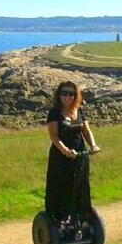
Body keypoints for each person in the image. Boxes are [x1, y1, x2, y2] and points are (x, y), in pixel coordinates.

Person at [45, 81, 100, 221]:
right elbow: (54, 136)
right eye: (64, 93)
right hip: (61, 157)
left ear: (76, 96)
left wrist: (93, 145)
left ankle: (81, 216)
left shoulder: (79, 110)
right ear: (59, 95)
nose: (68, 97)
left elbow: (86, 131)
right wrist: (65, 150)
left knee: (81, 185)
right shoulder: (54, 113)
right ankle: (59, 218)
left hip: (80, 156)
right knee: (63, 186)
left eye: (71, 94)